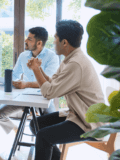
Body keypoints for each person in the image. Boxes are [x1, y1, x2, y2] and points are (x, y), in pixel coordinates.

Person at [27, 20, 105, 160]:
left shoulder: (75, 64)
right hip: (77, 114)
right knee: (35, 124)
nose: (53, 41)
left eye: (56, 38)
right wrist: (38, 69)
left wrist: (35, 70)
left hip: (89, 122)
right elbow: (54, 82)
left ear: (64, 43)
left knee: (43, 136)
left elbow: (49, 93)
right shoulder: (69, 58)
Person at [0, 27, 59, 134]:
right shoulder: (23, 56)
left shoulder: (52, 57)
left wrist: (26, 84)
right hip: (25, 97)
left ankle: (43, 142)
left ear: (39, 43)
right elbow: (14, 75)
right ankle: (15, 130)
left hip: (44, 97)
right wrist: (1, 81)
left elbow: (49, 83)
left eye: (29, 39)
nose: (25, 41)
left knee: (52, 123)